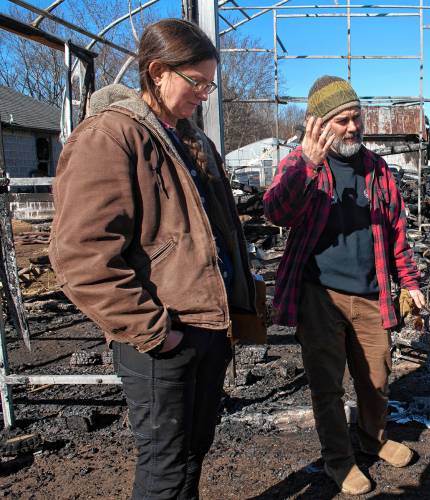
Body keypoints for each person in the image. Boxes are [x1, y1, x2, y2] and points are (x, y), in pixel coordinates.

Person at [50, 19, 258, 499]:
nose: (205, 94)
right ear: (158, 70)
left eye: (209, 84)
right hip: (162, 334)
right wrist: (155, 330)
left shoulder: (191, 141)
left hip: (207, 327)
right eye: (197, 82)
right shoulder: (111, 136)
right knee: (165, 465)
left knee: (192, 452)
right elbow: (83, 255)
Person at [264, 75, 426, 496]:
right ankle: (339, 459)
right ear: (317, 124)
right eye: (341, 120)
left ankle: (372, 439)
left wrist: (409, 281)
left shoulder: (377, 170)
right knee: (328, 385)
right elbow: (275, 212)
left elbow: (397, 233)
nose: (353, 127)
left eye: (357, 117)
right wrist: (309, 166)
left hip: (371, 294)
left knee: (378, 376)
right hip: (320, 295)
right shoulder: (299, 164)